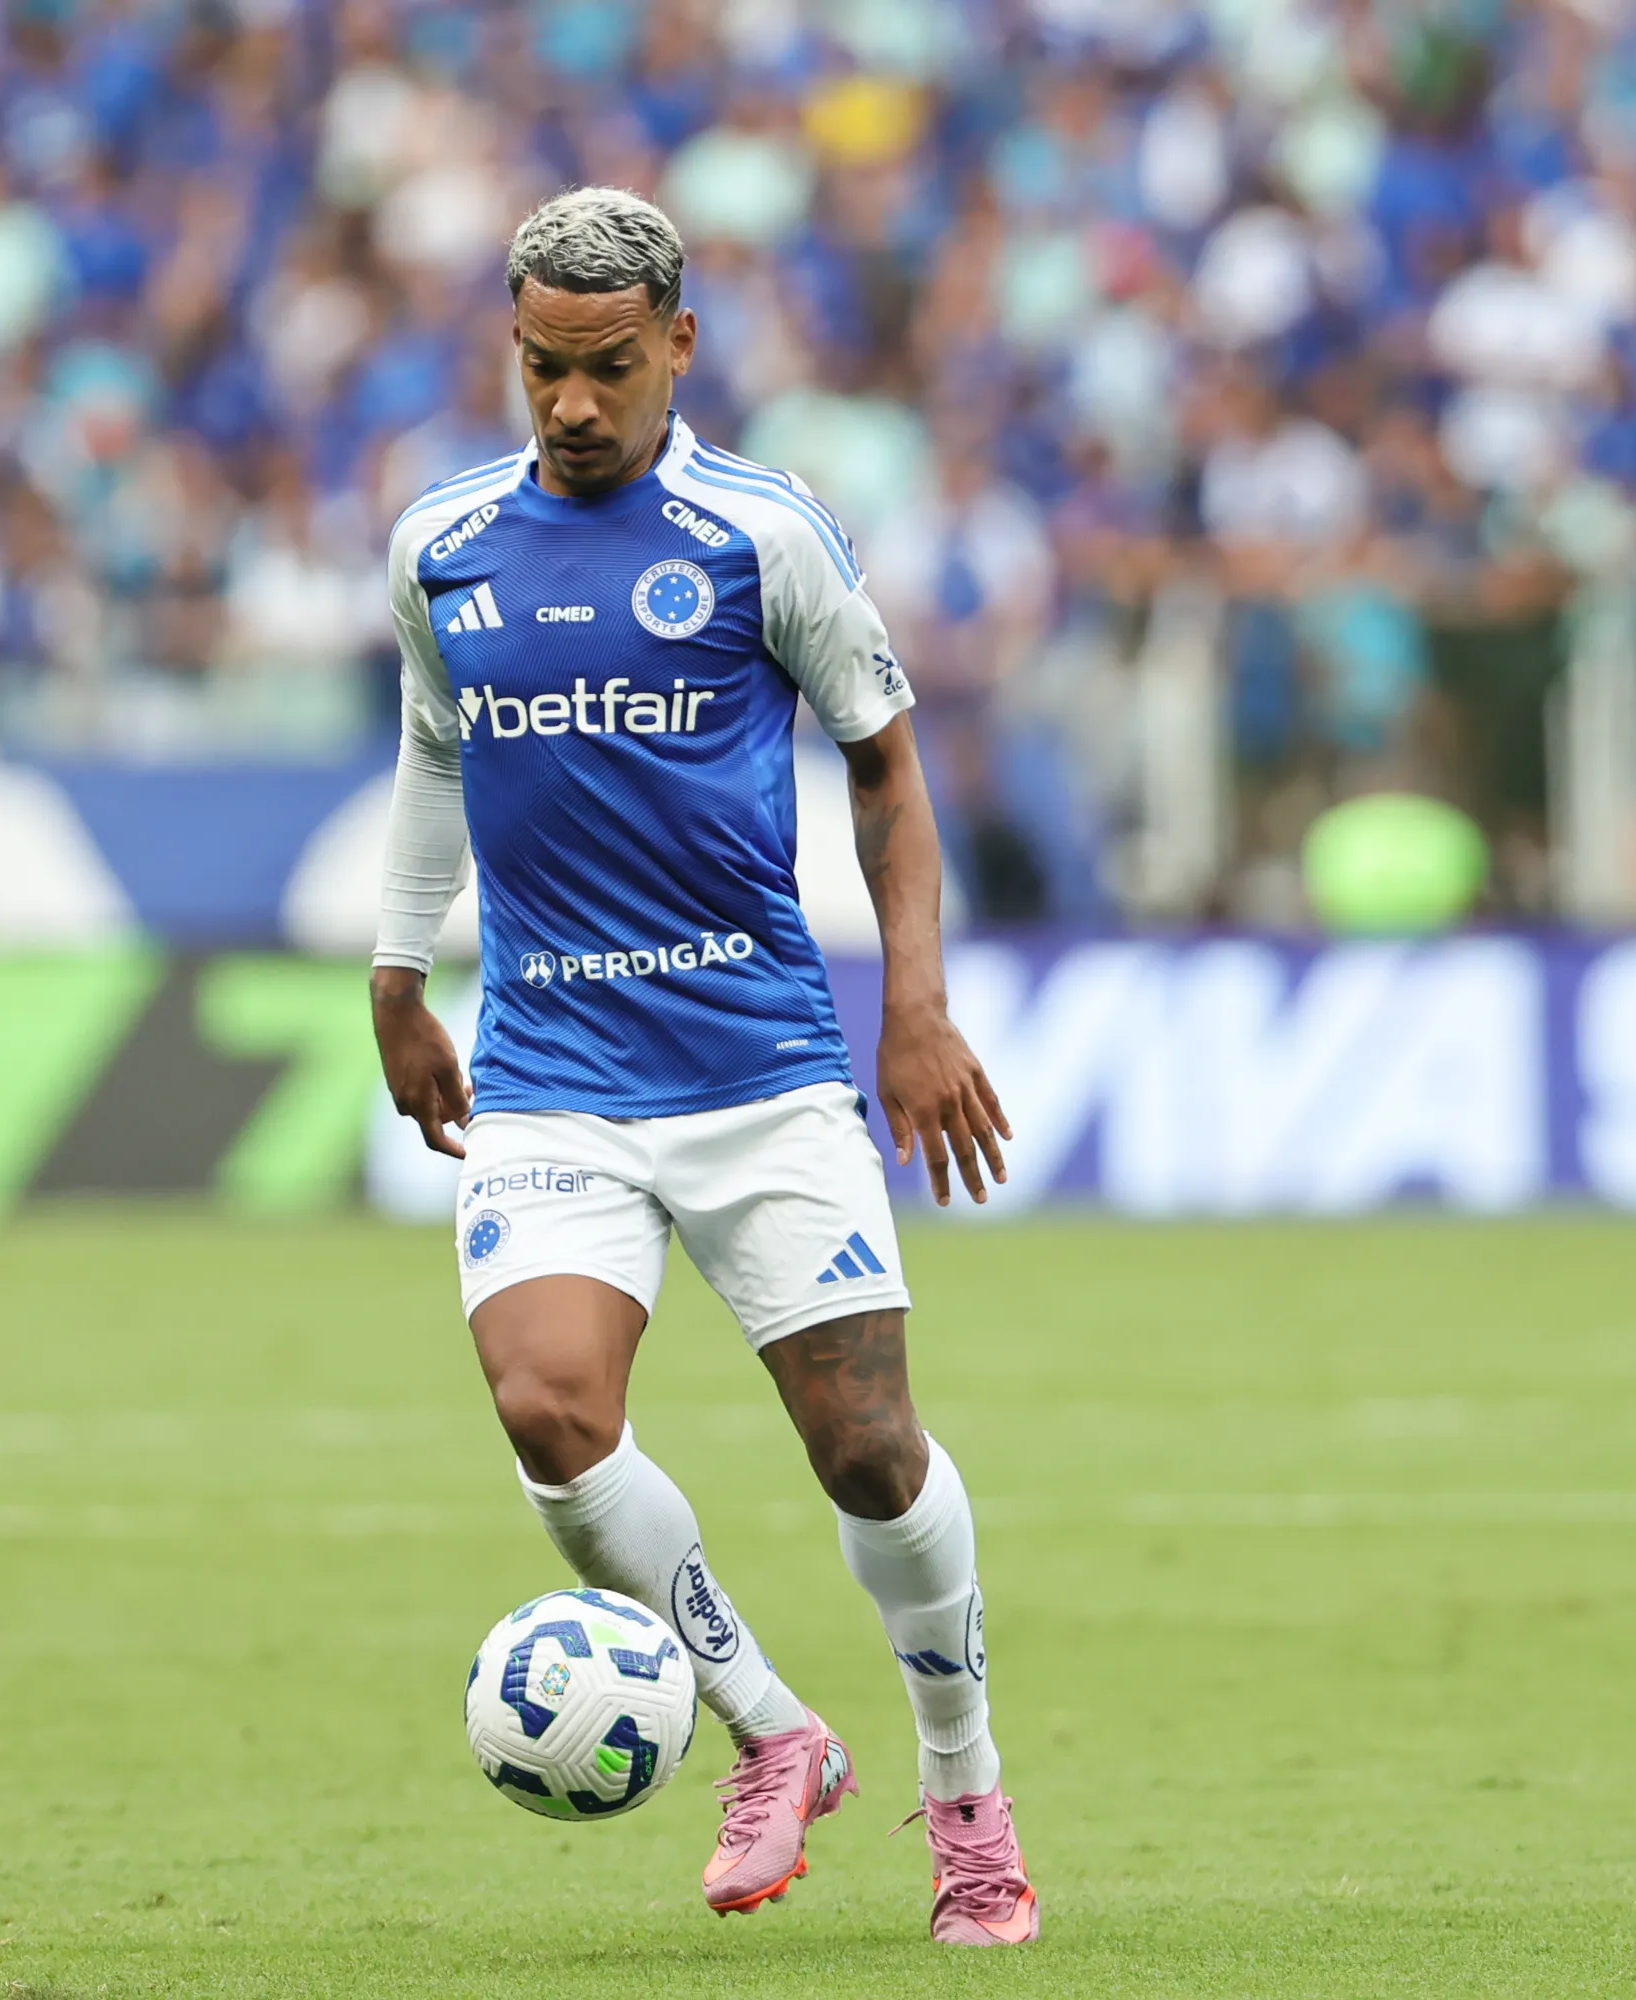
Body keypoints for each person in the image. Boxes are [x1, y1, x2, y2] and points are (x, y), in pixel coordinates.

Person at [367, 189, 1037, 1947]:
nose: (570, 406)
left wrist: (915, 1007)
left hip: (754, 1069)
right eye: (538, 369)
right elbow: (438, 758)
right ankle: (772, 1727)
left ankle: (966, 1793)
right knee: (548, 1412)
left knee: (869, 1454)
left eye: (603, 369)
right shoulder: (443, 542)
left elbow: (889, 771)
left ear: (676, 345)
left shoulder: (761, 532)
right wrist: (395, 968)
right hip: (551, 1069)